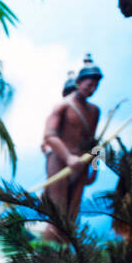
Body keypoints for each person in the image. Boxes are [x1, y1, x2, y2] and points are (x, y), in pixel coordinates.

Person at [41, 55, 103, 240]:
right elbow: (49, 137)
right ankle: (49, 250)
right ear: (78, 82)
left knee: (72, 213)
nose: (91, 89)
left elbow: (93, 143)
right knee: (58, 211)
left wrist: (94, 167)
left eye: (95, 86)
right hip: (60, 161)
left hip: (82, 163)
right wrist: (68, 157)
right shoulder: (62, 106)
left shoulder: (94, 111)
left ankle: (65, 250)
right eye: (88, 84)